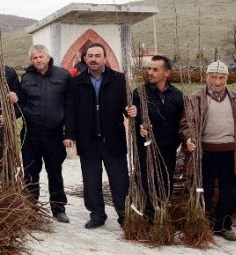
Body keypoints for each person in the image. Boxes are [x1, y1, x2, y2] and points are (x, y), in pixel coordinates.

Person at [179, 61, 236, 241]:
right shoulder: (195, 98)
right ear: (206, 77)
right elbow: (186, 123)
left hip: (230, 152)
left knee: (231, 191)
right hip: (204, 152)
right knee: (203, 189)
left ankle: (223, 225)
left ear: (227, 79)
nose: (217, 82)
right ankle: (203, 224)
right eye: (213, 77)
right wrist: (189, 137)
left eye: (222, 78)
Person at [64, 43, 137, 229]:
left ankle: (124, 215)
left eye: (98, 55)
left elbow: (127, 105)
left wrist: (132, 110)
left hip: (113, 139)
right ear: (85, 59)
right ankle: (97, 214)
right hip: (88, 140)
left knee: (120, 180)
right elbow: (71, 110)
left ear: (105, 58)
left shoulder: (118, 79)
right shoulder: (77, 82)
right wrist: (69, 135)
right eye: (90, 56)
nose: (94, 59)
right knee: (91, 180)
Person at [18, 44, 71, 222]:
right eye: (34, 57)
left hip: (54, 134)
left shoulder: (62, 76)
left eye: (41, 56)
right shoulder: (26, 78)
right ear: (31, 60)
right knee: (30, 172)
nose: (38, 60)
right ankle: (30, 207)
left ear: (48, 57)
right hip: (31, 134)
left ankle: (58, 209)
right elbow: (21, 103)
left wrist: (68, 133)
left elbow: (70, 106)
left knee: (55, 171)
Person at [132, 55, 185, 221]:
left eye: (156, 69)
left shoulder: (177, 96)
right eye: (149, 69)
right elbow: (134, 117)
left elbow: (183, 123)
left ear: (167, 73)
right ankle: (148, 218)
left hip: (168, 149)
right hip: (145, 148)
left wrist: (180, 143)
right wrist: (140, 126)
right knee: (147, 182)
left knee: (165, 182)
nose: (151, 72)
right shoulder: (139, 93)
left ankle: (161, 216)